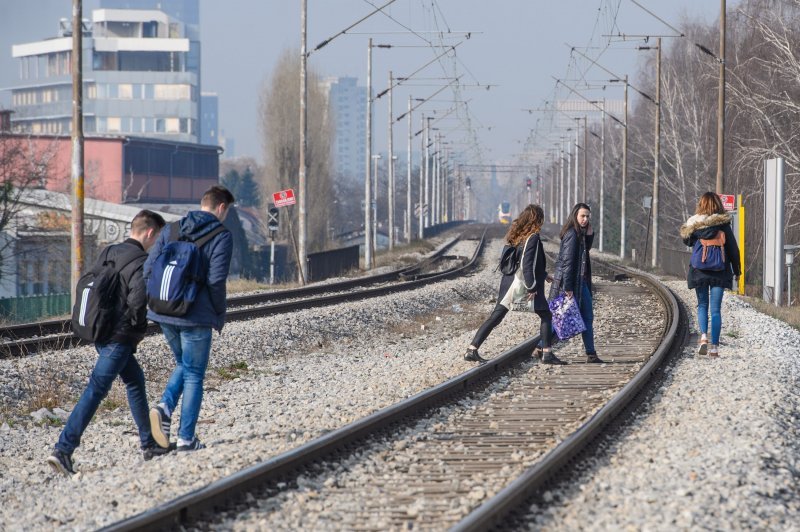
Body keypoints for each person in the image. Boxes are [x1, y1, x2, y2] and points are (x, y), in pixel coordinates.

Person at [47, 210, 167, 476]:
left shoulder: (109, 251)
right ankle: (63, 450)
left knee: (135, 380)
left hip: (101, 332)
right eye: (157, 236)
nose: (157, 242)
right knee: (96, 390)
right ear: (150, 233)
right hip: (118, 338)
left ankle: (148, 444)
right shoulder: (141, 261)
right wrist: (137, 328)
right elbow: (138, 303)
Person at [146, 185, 234, 452]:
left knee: (184, 364)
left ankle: (165, 411)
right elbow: (216, 280)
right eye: (227, 211)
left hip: (163, 310)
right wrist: (218, 313)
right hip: (195, 315)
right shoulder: (222, 235)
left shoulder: (171, 229)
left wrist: (155, 303)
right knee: (195, 373)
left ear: (202, 203)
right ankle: (184, 436)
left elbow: (148, 268)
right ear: (221, 207)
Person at [464, 204, 564, 365]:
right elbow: (526, 263)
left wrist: (544, 275)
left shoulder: (517, 236)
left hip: (509, 282)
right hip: (521, 284)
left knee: (496, 317)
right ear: (537, 219)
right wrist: (532, 287)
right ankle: (547, 353)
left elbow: (522, 260)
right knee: (546, 315)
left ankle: (472, 349)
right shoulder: (532, 237)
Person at [680, 192, 741, 357]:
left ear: (701, 205)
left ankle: (704, 338)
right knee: (715, 310)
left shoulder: (694, 225)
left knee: (702, 305)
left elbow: (686, 241)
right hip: (720, 272)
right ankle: (714, 347)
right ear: (717, 205)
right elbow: (733, 250)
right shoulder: (724, 225)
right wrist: (737, 271)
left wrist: (692, 229)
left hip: (699, 271)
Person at [547, 202, 603, 363]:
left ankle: (591, 354)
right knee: (564, 316)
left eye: (587, 216)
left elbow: (584, 252)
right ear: (575, 216)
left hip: (580, 282)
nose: (585, 219)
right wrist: (568, 287)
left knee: (579, 316)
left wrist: (590, 235)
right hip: (574, 283)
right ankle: (542, 345)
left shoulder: (579, 234)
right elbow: (568, 263)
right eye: (582, 216)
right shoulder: (572, 234)